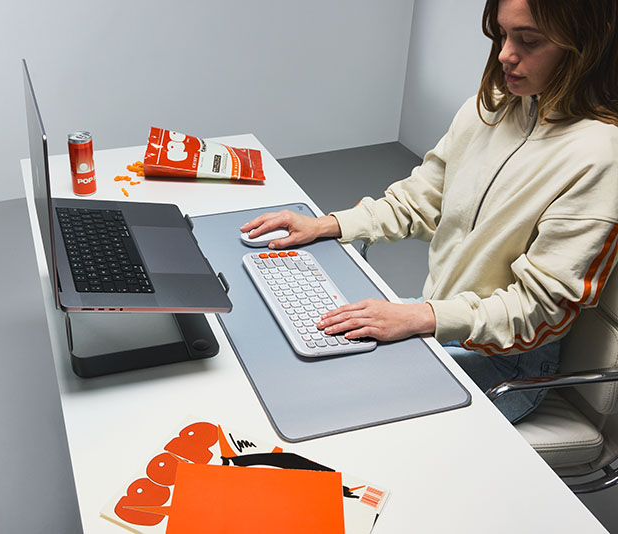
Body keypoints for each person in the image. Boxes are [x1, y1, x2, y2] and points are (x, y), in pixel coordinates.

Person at [240, 0, 618, 423]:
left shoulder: (599, 157)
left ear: (586, 46)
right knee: (293, 347)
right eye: (501, 35)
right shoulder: (491, 106)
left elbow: (541, 311)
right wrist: (330, 224)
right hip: (439, 316)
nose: (505, 55)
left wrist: (421, 317)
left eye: (528, 41)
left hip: (506, 365)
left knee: (325, 400)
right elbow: (420, 200)